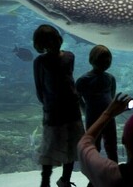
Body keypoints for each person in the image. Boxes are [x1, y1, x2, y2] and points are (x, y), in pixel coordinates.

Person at [33, 24, 84, 187]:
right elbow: (69, 81)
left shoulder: (61, 57)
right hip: (68, 109)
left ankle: (51, 181)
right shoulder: (66, 57)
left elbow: (39, 89)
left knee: (52, 147)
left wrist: (47, 103)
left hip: (57, 110)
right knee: (68, 146)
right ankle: (61, 180)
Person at [76, 45, 118, 169]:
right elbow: (77, 99)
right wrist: (85, 111)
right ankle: (94, 178)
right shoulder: (83, 80)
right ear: (93, 60)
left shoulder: (110, 78)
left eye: (108, 60)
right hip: (93, 117)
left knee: (111, 146)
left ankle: (115, 173)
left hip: (107, 117)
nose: (106, 63)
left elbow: (112, 97)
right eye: (103, 59)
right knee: (94, 147)